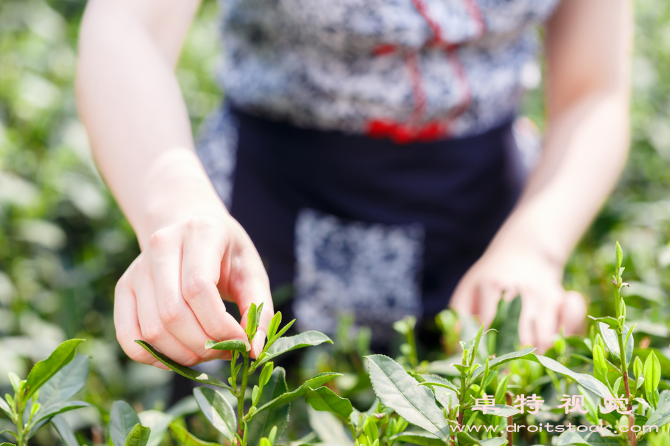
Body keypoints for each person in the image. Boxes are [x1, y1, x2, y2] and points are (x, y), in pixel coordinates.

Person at [76, 0, 631, 367]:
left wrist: (534, 249)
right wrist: (173, 200)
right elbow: (127, 29)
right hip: (262, 218)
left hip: (492, 230)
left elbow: (595, 91)